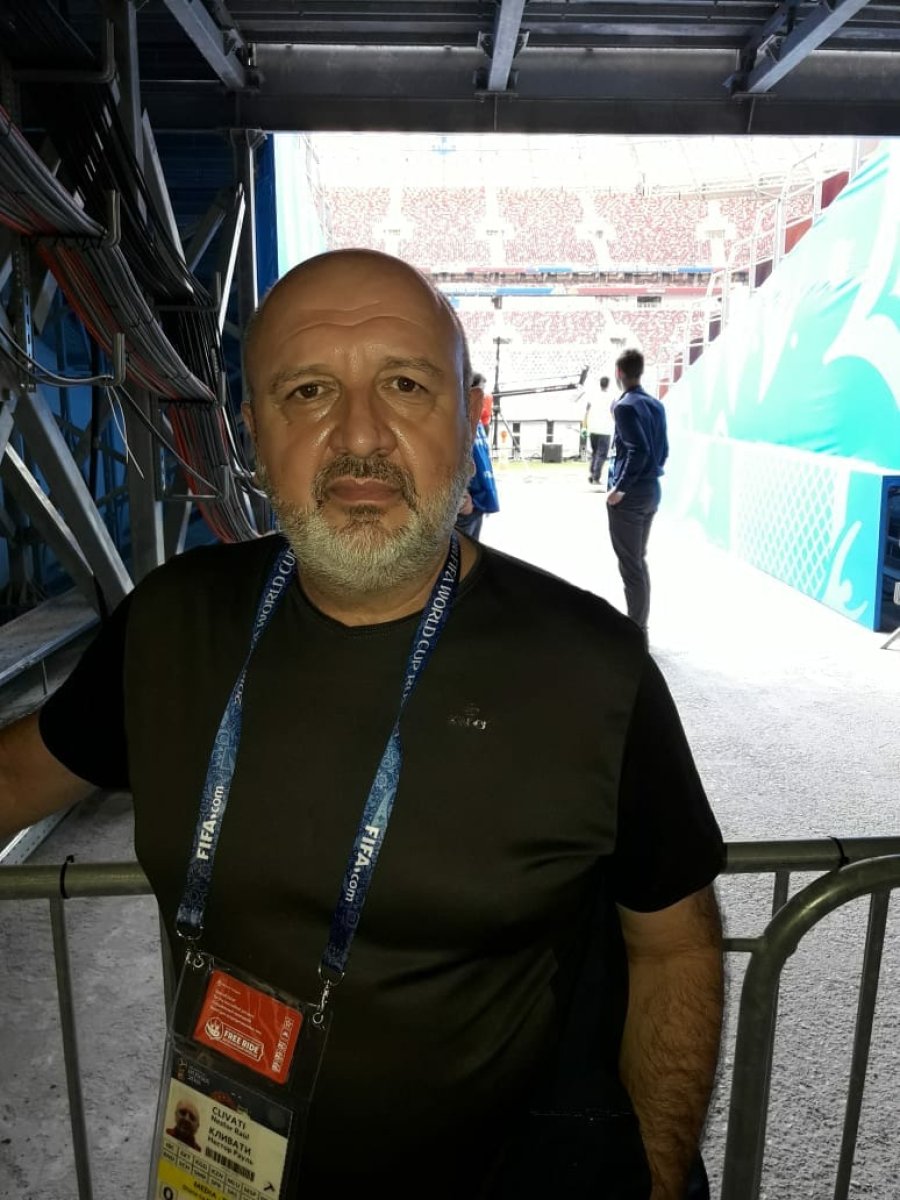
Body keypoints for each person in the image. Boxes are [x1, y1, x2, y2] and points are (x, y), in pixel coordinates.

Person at [0, 250, 722, 1199]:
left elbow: (673, 946)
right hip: (223, 1168)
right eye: (307, 392)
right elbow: (14, 779)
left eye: (405, 384)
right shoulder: (170, 626)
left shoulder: (595, 669)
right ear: (254, 432)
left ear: (473, 418)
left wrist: (663, 1179)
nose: (360, 435)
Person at [606, 348, 669, 639]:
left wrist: (620, 489)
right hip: (652, 490)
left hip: (632, 496)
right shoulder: (655, 405)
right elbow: (662, 450)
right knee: (638, 561)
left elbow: (638, 449)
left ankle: (637, 631)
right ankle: (639, 625)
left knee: (631, 565)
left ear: (619, 373)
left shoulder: (625, 407)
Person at [456, 372, 500, 541]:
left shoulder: (476, 421)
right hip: (466, 507)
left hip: (478, 504)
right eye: (479, 392)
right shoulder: (456, 423)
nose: (483, 399)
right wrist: (462, 499)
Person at [584, 374, 614, 487]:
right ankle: (595, 477)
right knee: (602, 454)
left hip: (593, 428)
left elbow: (587, 410)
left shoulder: (593, 395)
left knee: (595, 452)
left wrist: (585, 425)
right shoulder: (611, 397)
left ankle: (592, 473)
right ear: (608, 385)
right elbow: (613, 411)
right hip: (604, 429)